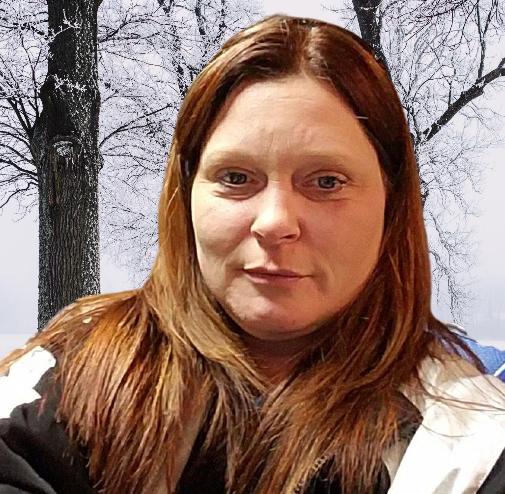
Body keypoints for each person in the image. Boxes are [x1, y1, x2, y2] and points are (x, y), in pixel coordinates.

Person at [1, 14, 504, 494]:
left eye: (327, 182)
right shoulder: (60, 386)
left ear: (392, 205)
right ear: (186, 194)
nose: (275, 222)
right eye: (236, 177)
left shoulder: (471, 444)